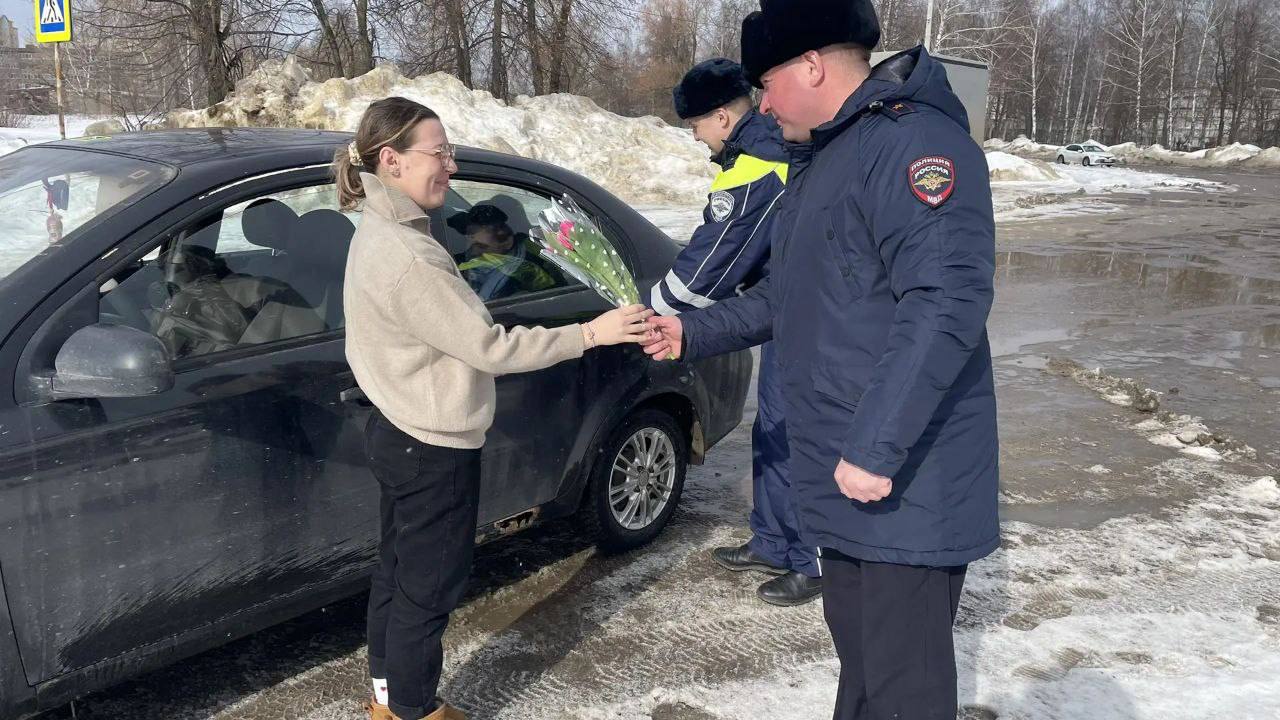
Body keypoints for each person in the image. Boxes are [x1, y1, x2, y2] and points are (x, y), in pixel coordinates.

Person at [642, 1, 999, 717]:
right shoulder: (827, 155)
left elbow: (944, 304)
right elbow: (791, 295)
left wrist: (874, 448)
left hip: (902, 479)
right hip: (848, 471)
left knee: (905, 686)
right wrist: (693, 332)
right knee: (864, 665)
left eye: (766, 84)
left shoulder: (914, 146)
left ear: (811, 66)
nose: (762, 105)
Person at [336, 96, 652, 720]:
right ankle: (413, 710)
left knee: (399, 573)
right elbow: (492, 348)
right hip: (431, 445)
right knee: (428, 589)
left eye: (449, 152)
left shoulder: (382, 228)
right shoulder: (408, 255)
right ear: (393, 161)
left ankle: (386, 695)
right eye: (439, 153)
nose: (449, 166)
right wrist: (594, 331)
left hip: (397, 428)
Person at [657, 57, 820, 606]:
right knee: (772, 426)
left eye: (697, 125)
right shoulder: (759, 152)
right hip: (778, 306)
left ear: (723, 117)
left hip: (809, 315)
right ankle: (773, 540)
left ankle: (813, 561)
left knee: (802, 435)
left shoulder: (760, 160)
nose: (696, 137)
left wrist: (652, 310)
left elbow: (715, 260)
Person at [448, 203, 557, 300]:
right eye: (490, 229)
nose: (501, 232)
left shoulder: (531, 255)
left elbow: (553, 293)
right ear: (471, 236)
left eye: (502, 225)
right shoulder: (453, 264)